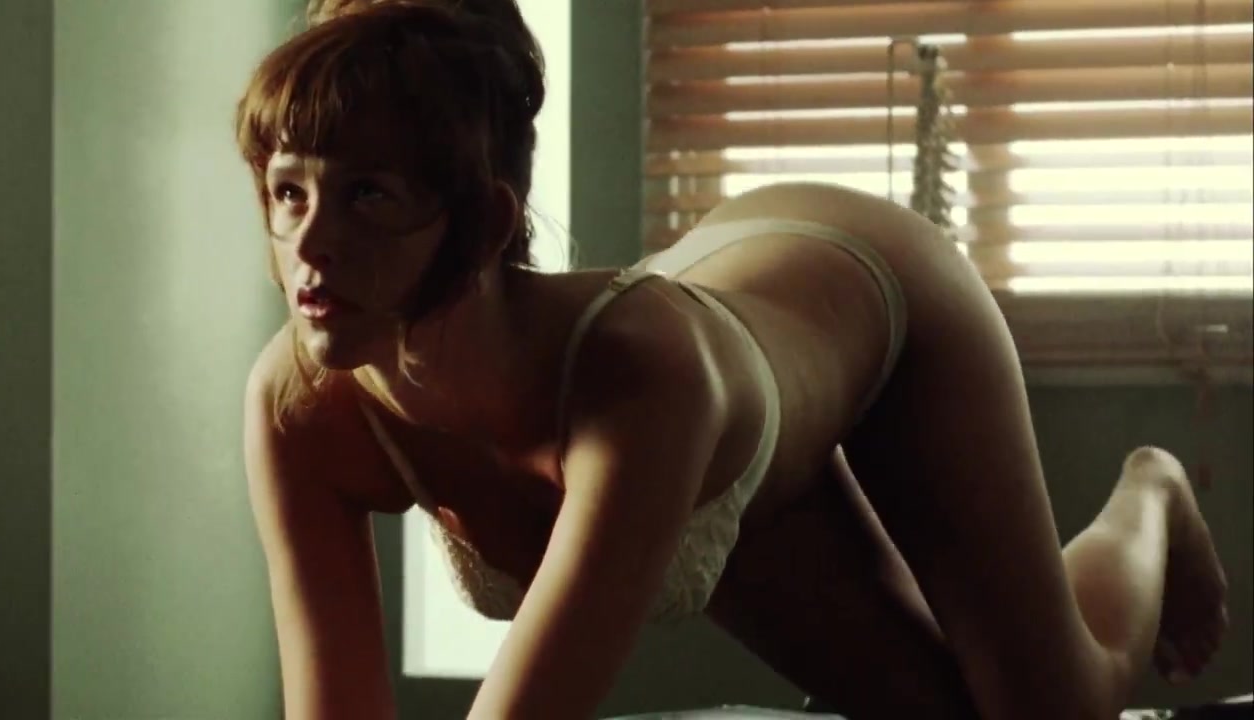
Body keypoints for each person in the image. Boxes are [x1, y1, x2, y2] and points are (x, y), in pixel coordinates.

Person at [237, 2, 1230, 718]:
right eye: (289, 192)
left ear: (486, 222)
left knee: (1052, 710)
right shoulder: (298, 403)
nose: (310, 247)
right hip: (734, 394)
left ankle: (1151, 491)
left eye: (367, 195)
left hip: (873, 287)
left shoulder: (641, 383)